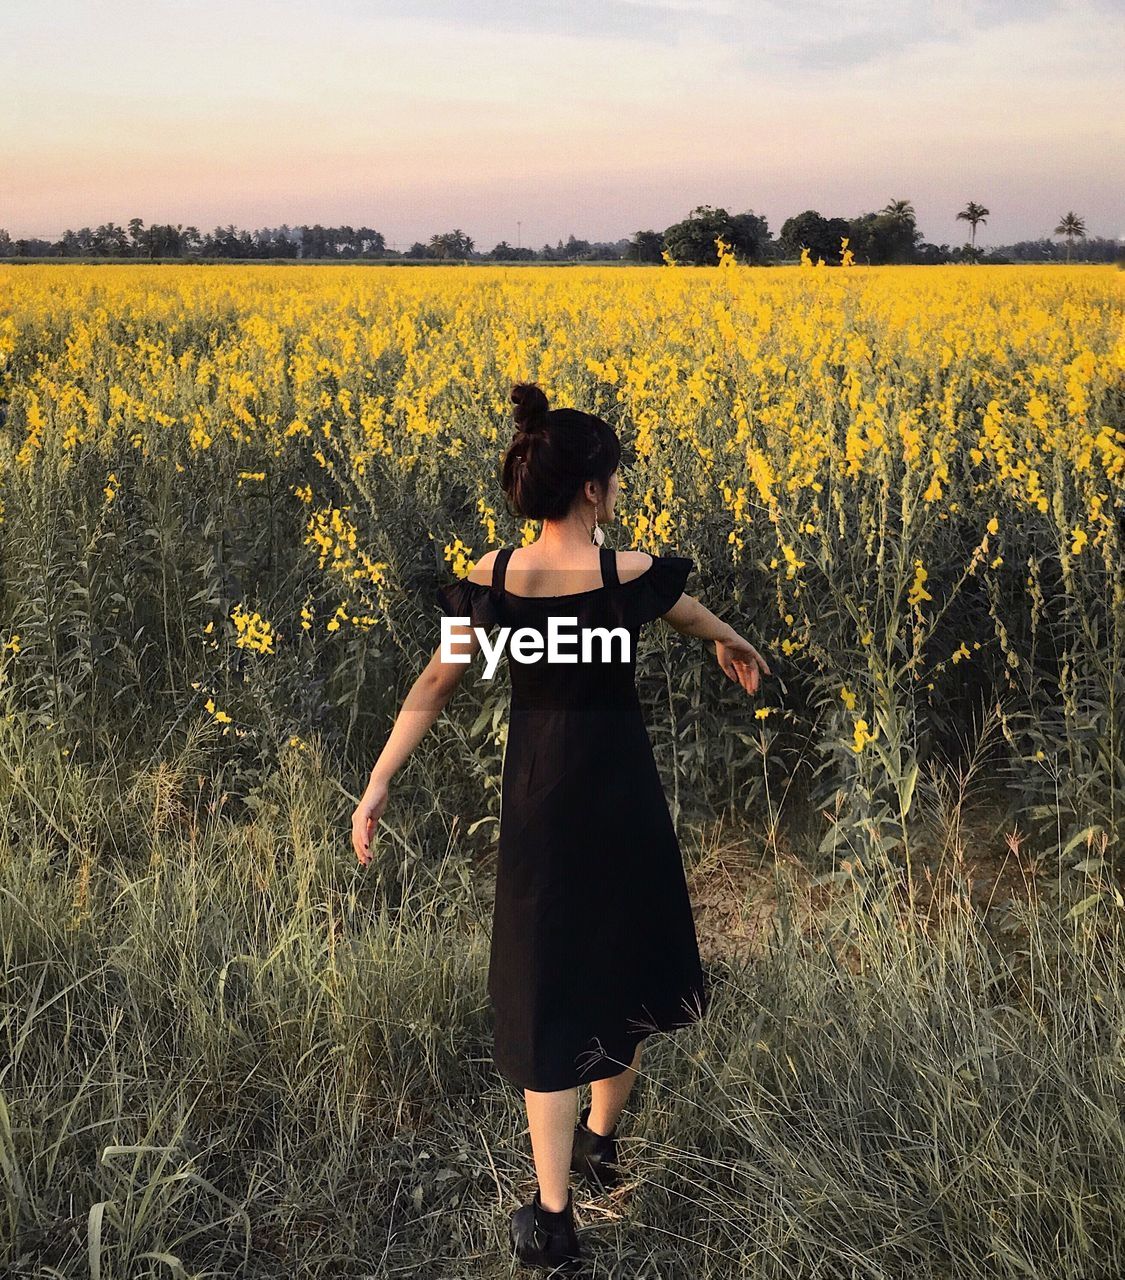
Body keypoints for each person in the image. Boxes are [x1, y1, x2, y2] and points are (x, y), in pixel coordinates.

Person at [351, 381, 770, 1270]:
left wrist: (378, 783)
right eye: (612, 479)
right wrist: (734, 642)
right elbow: (691, 618)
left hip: (539, 809)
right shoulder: (629, 576)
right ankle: (605, 1146)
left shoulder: (494, 581)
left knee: (548, 996)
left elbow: (433, 686)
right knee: (622, 967)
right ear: (593, 490)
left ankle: (552, 1216)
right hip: (622, 804)